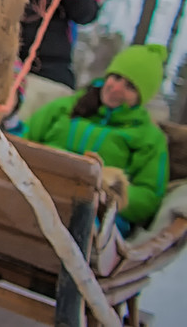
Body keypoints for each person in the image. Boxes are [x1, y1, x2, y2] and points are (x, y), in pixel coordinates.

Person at [23, 44, 171, 230]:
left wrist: (113, 195)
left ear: (141, 98)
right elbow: (25, 138)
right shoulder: (66, 107)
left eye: (130, 87)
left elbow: (149, 195)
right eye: (116, 77)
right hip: (39, 187)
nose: (116, 88)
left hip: (95, 213)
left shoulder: (148, 137)